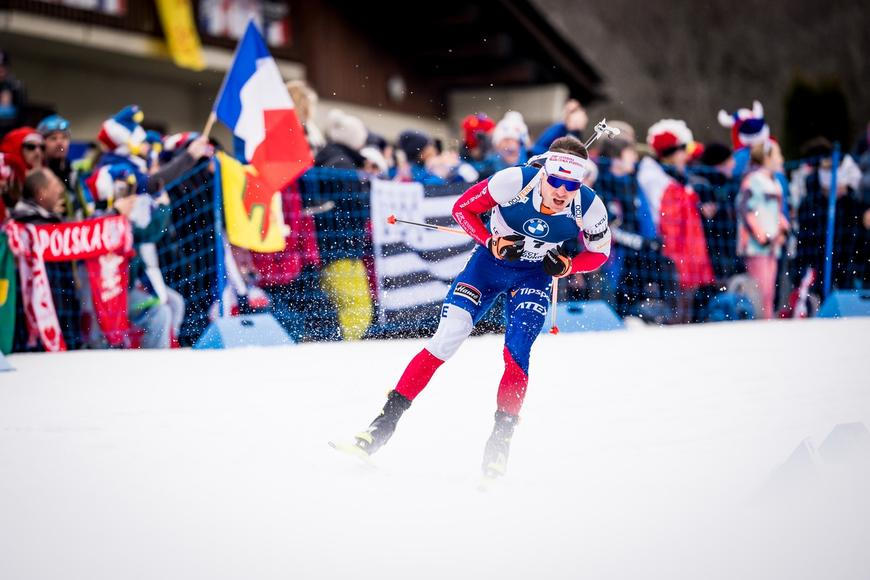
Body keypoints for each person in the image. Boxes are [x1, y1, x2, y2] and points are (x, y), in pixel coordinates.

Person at [340, 136, 611, 479]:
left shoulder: (589, 206)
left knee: (517, 352)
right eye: (555, 180)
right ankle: (380, 427)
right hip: (487, 268)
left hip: (534, 278)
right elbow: (462, 209)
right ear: (544, 174)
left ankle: (499, 444)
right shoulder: (514, 181)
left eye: (571, 185)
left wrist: (569, 265)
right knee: (446, 339)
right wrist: (491, 242)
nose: (561, 192)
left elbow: (599, 252)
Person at [736, 140, 790, 319]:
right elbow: (746, 211)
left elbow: (777, 211)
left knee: (770, 290)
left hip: (772, 244)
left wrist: (783, 230)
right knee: (761, 289)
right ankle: (759, 323)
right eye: (777, 154)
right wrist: (761, 236)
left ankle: (767, 322)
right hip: (756, 245)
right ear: (766, 158)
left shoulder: (774, 182)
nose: (781, 158)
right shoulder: (753, 181)